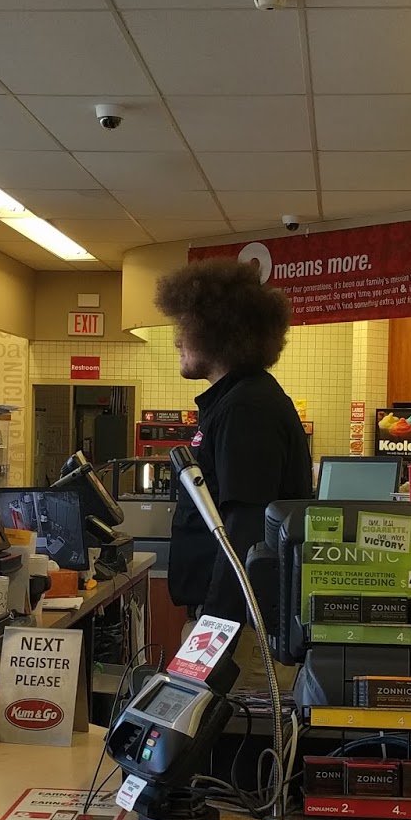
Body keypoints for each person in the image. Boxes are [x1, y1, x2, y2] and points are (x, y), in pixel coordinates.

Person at [155, 259, 313, 624]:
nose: (178, 340)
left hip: (234, 626)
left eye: (185, 326)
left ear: (218, 331)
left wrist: (214, 630)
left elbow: (245, 531)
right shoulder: (239, 401)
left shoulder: (245, 409)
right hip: (231, 619)